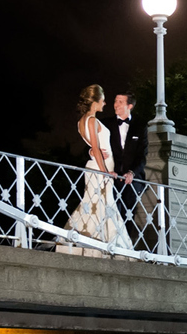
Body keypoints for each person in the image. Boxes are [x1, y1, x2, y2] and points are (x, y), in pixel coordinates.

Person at [55, 85, 134, 257]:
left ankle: (96, 243)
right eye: (103, 100)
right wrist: (105, 171)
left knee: (96, 203)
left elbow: (93, 147)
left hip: (97, 167)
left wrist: (94, 154)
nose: (105, 103)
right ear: (95, 101)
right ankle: (100, 245)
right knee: (99, 204)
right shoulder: (91, 120)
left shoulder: (81, 122)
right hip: (99, 169)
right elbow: (96, 148)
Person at [100, 90, 149, 246]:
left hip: (132, 179)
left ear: (130, 106)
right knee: (111, 209)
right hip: (111, 175)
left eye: (120, 102)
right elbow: (92, 145)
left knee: (129, 212)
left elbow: (142, 155)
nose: (115, 105)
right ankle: (109, 243)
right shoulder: (105, 123)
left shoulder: (140, 126)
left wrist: (131, 173)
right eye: (115, 101)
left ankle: (125, 245)